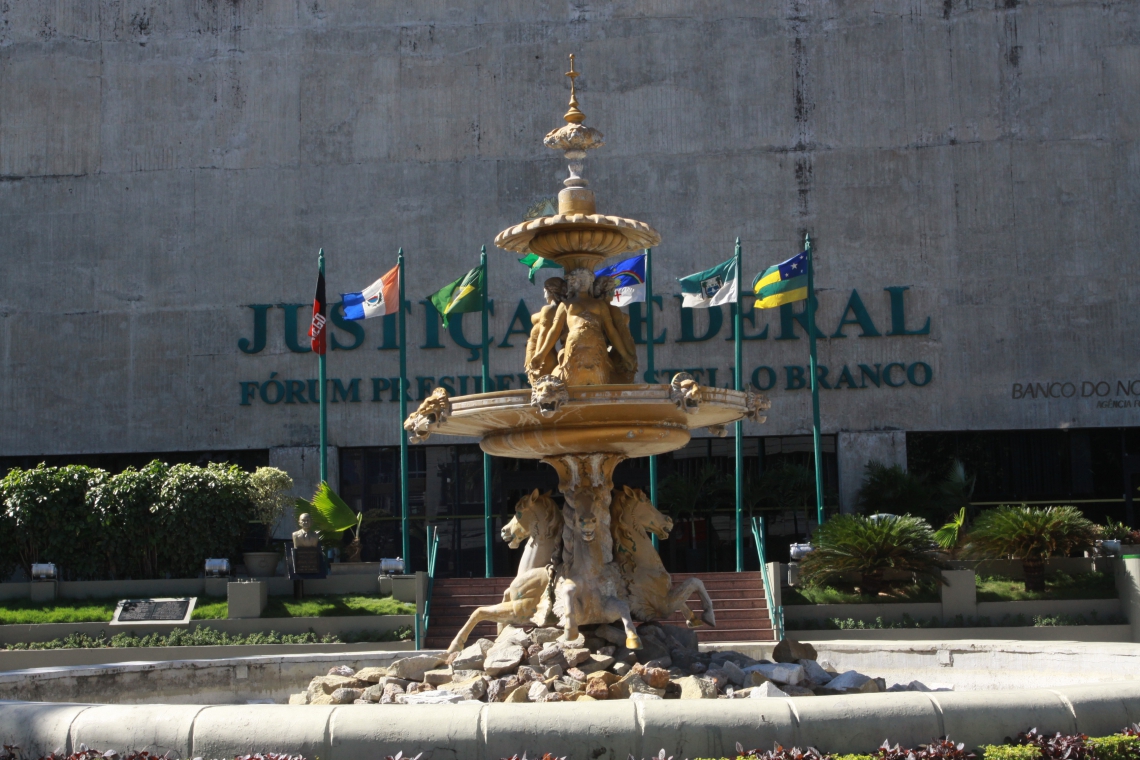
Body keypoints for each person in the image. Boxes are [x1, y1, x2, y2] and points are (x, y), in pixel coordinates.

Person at [525, 276, 567, 385]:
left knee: (540, 388)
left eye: (545, 292)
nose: (544, 296)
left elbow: (543, 334)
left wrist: (539, 356)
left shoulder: (548, 310)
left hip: (544, 355)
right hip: (551, 354)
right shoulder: (564, 308)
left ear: (551, 292)